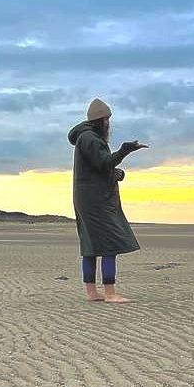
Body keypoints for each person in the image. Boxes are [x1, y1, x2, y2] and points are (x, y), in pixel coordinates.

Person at [67, 98, 148, 303]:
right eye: (107, 119)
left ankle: (92, 293)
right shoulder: (90, 138)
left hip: (88, 198)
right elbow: (104, 163)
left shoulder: (85, 138)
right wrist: (124, 150)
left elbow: (99, 168)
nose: (109, 124)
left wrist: (115, 173)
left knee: (91, 247)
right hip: (96, 201)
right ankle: (110, 293)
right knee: (108, 244)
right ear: (101, 120)